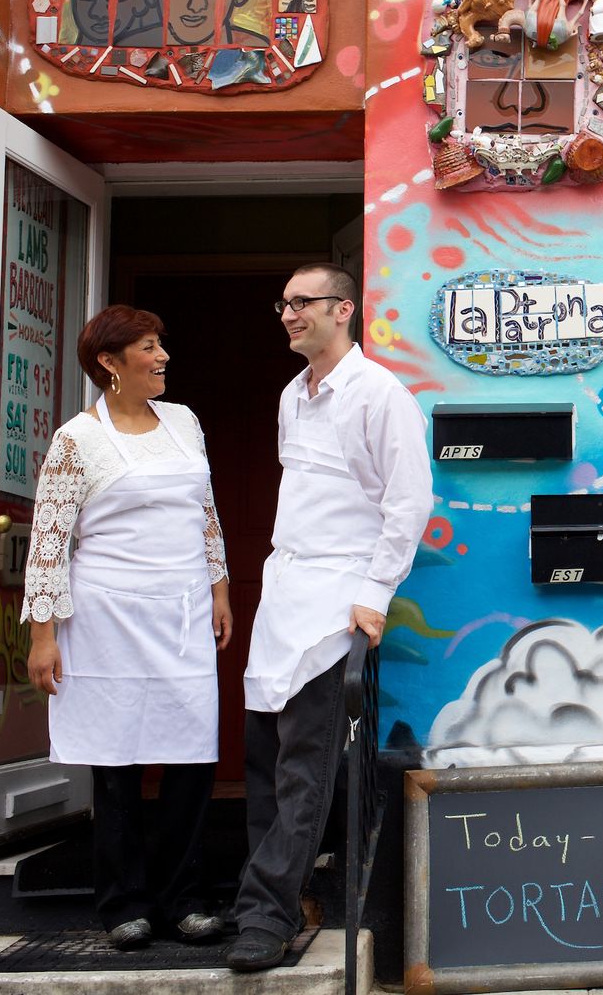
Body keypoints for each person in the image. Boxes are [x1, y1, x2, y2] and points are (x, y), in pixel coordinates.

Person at [226, 263, 433, 972]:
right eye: (282, 303)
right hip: (284, 595)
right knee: (266, 760)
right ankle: (279, 901)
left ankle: (266, 914)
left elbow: (409, 503)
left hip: (336, 603)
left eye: (302, 303)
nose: (288, 314)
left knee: (307, 768)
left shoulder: (379, 395)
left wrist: (374, 594)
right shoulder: (294, 395)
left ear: (343, 309)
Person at [22, 305, 232, 950]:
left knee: (190, 758)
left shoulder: (184, 422)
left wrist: (220, 589)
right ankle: (123, 905)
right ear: (110, 363)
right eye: (148, 346)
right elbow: (50, 540)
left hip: (184, 611)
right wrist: (43, 634)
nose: (163, 356)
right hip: (106, 614)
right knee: (115, 763)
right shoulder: (76, 439)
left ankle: (185, 899)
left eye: (161, 343)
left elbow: (205, 512)